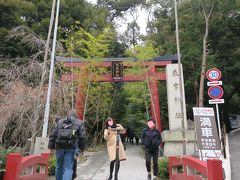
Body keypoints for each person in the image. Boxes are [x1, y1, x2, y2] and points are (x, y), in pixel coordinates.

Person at [48, 109, 86, 180]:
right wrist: (81, 149)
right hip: (71, 148)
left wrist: (51, 147)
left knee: (59, 166)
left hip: (59, 148)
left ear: (68, 114)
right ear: (76, 115)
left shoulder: (60, 122)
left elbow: (53, 134)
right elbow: (82, 137)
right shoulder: (79, 123)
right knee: (68, 168)